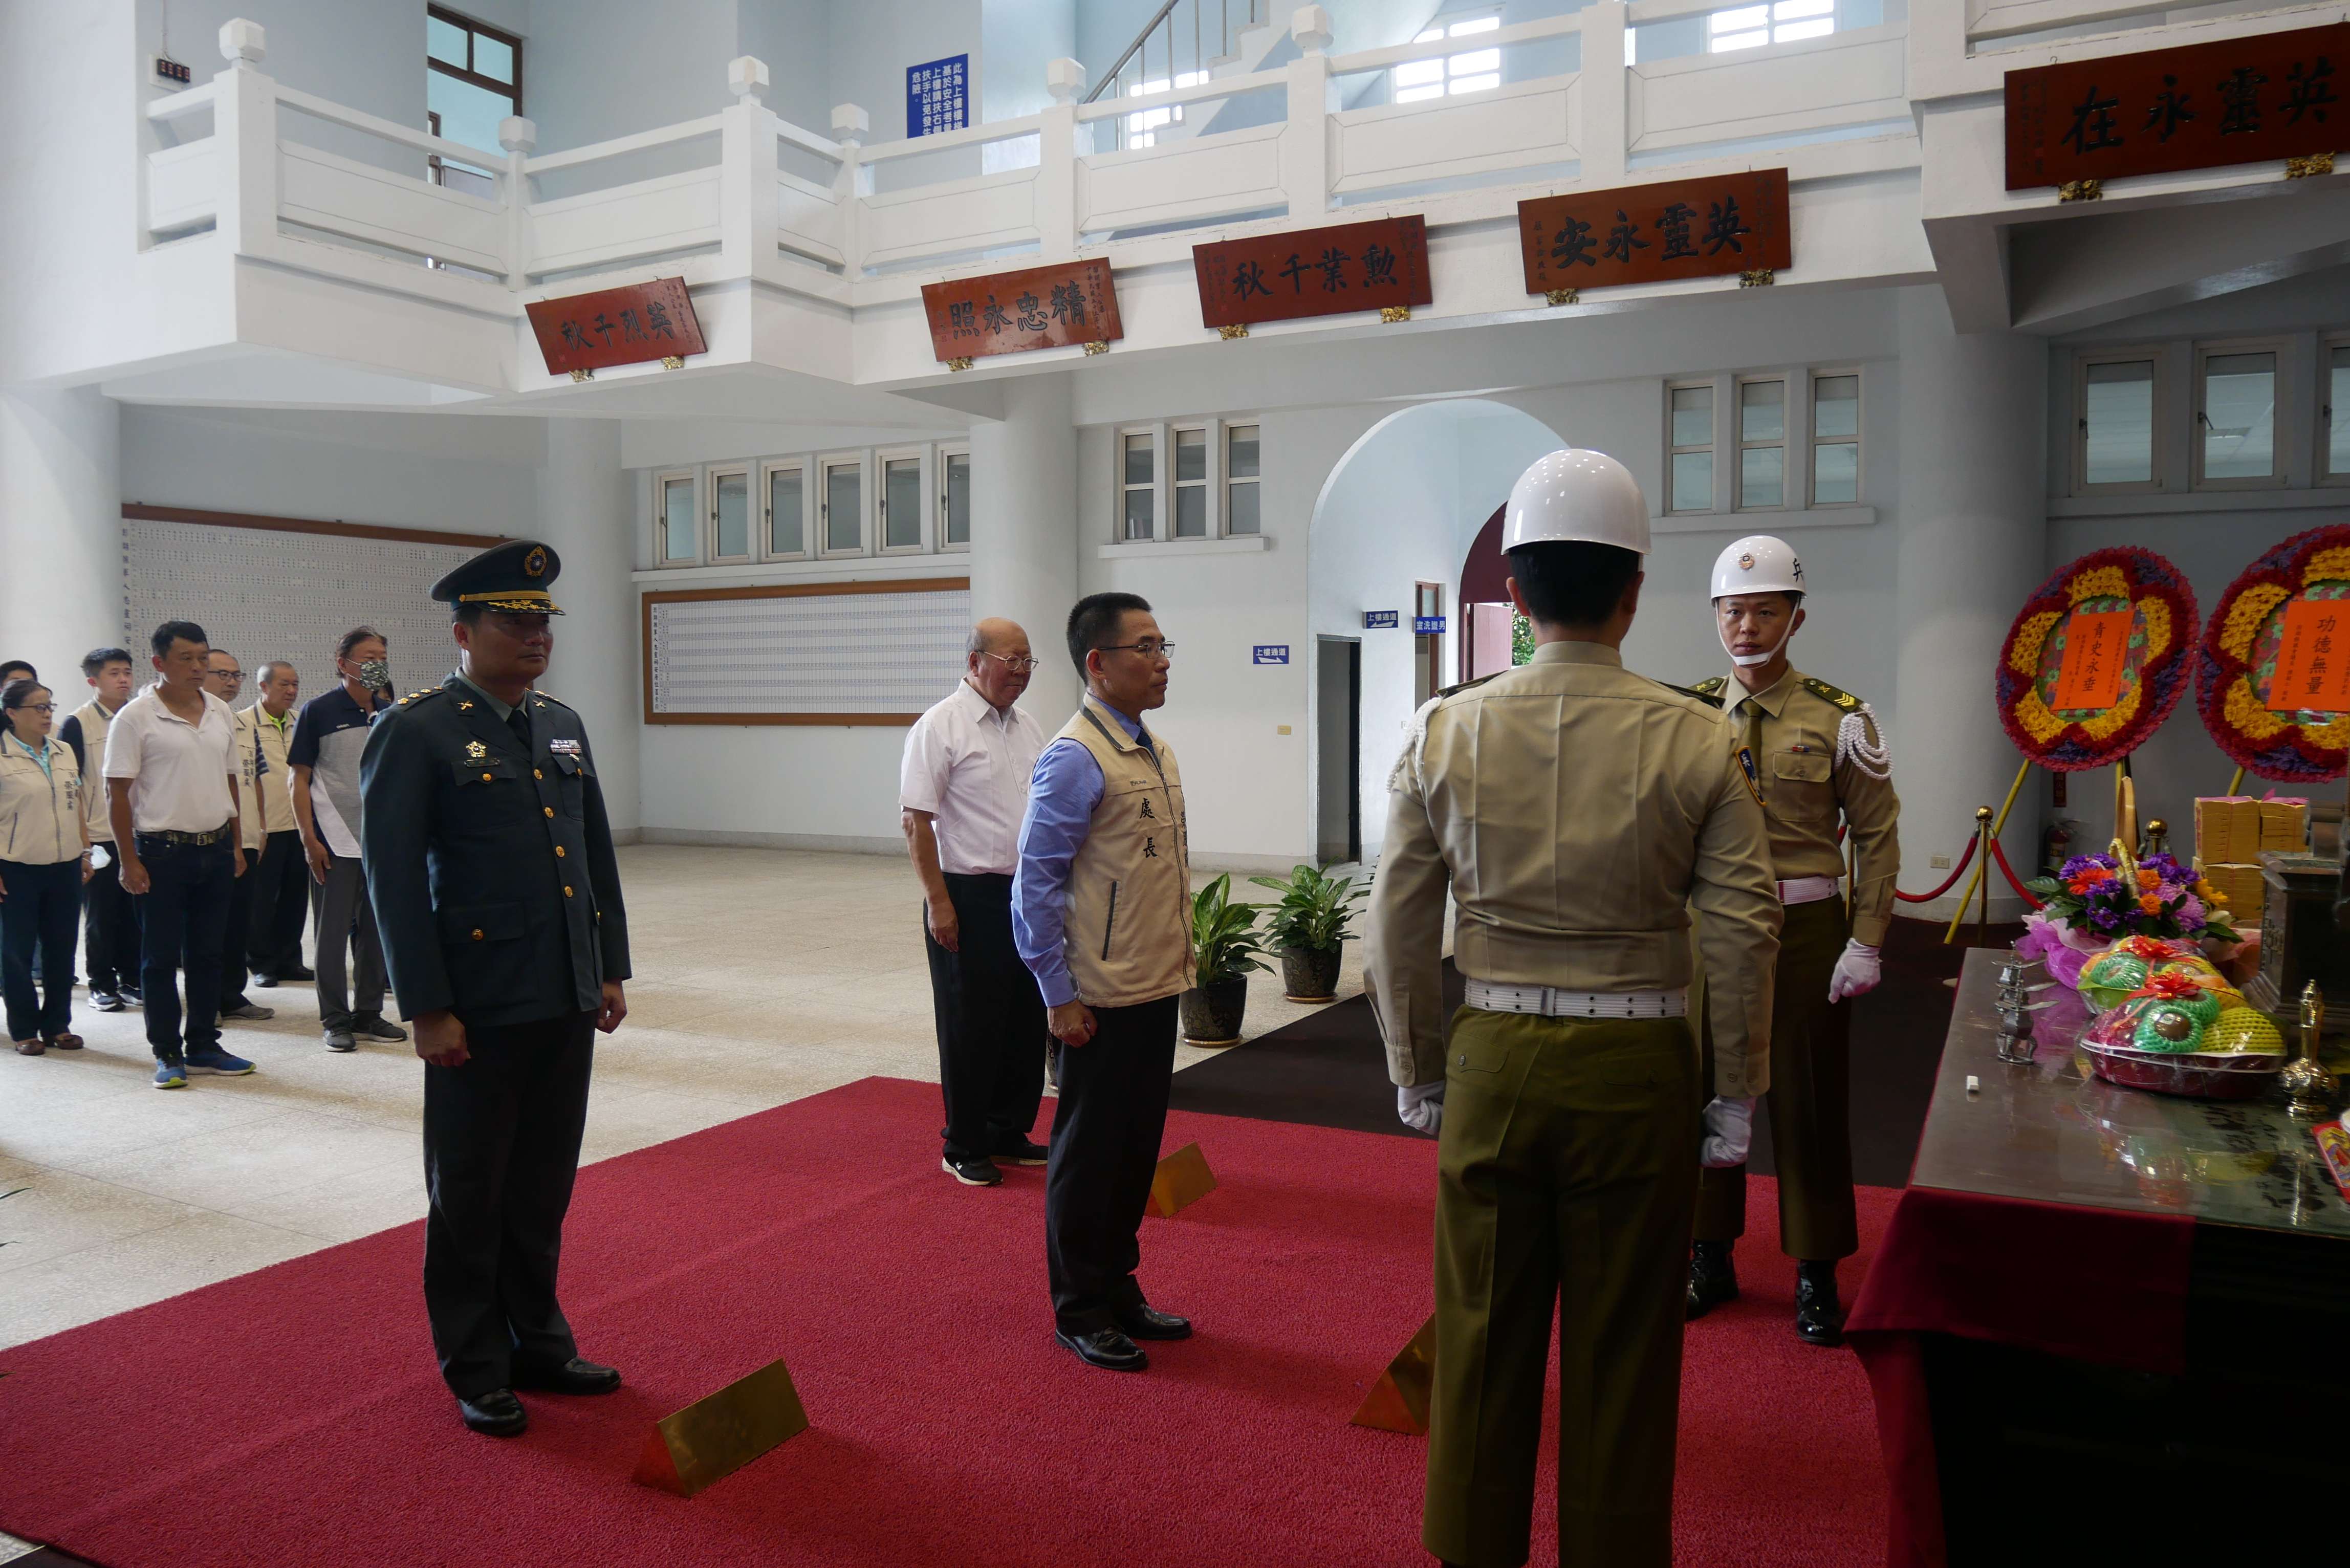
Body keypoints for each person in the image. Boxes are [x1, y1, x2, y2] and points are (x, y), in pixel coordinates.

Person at [1365, 449, 1780, 1568]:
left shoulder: (1439, 730)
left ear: (1514, 589)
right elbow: (1744, 925)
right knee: (1624, 1345)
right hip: (1639, 1064)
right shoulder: (1699, 735)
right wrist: (1733, 1085)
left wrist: (1414, 1057)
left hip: (1493, 1052)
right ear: (1634, 590)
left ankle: (1469, 1544)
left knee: (1482, 1326)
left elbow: (1398, 917)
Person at [360, 538, 632, 1440]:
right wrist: (426, 1005)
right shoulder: (419, 725)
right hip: (476, 1002)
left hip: (560, 990)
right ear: (463, 630)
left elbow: (592, 856)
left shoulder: (560, 721)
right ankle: (476, 1362)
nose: (533, 636)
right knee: (471, 1188)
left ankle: (537, 1340)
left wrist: (608, 967)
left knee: (542, 1183)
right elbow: (393, 880)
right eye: (513, 622)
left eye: (541, 621)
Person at [1679, 535, 1900, 1346]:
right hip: (1713, 929)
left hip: (1807, 927)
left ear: (1796, 618)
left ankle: (1815, 1272)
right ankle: (1710, 1257)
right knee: (1706, 1086)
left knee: (1809, 1100)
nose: (1744, 625)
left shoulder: (1840, 718)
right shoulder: (1691, 712)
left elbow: (1877, 837)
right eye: (1732, 610)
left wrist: (1866, 938)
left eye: (1764, 609)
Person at [1012, 592, 1195, 1374]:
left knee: (1133, 1152)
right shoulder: (1074, 756)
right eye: (1145, 647)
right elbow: (1035, 886)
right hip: (1097, 997)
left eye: (1164, 645)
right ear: (1099, 662)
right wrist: (1058, 993)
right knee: (1089, 1156)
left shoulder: (1152, 746)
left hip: (1152, 984)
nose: (1161, 661)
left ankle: (1118, 1286)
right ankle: (1079, 1307)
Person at [902, 619, 1051, 1187]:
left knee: (1022, 1017)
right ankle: (962, 1143)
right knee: (971, 1024)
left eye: (1028, 663)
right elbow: (915, 820)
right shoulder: (940, 726)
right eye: (1011, 660)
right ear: (974, 660)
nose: (1020, 672)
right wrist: (938, 903)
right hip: (967, 894)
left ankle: (1007, 1131)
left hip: (1025, 894)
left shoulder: (1028, 727)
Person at [105, 621, 255, 1090]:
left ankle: (205, 1044)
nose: (198, 667)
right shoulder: (135, 717)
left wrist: (236, 843)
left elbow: (230, 778)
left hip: (213, 849)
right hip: (160, 854)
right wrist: (129, 861)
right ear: (159, 664)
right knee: (160, 958)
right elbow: (117, 794)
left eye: (202, 657)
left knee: (210, 955)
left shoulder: (219, 712)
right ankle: (167, 1052)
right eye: (186, 659)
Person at [291, 627, 403, 1053]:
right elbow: (297, 779)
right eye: (367, 657)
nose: (376, 665)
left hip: (379, 841)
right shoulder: (318, 711)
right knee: (332, 935)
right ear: (343, 663)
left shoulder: (390, 712)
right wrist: (309, 839)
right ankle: (335, 1019)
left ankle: (369, 1013)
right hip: (333, 839)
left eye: (382, 656)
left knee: (376, 932)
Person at [0, 680, 92, 1055]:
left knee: (62, 948)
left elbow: (77, 805)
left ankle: (58, 1024)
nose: (47, 714)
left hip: (64, 865)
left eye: (50, 706)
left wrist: (85, 852)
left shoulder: (63, 750)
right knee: (16, 952)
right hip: (15, 867)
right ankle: (24, 1028)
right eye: (38, 708)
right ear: (11, 713)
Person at [58, 647, 139, 1011]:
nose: (123, 680)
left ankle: (133, 979)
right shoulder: (77, 723)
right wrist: (84, 844)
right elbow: (71, 786)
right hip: (99, 834)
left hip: (141, 832)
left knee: (135, 913)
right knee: (102, 916)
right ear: (93, 681)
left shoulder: (140, 717)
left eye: (126, 672)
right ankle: (101, 984)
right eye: (114, 674)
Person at [204, 649, 275, 1023]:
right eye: (223, 674)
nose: (231, 682)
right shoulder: (200, 722)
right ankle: (207, 1000)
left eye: (237, 675)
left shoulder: (244, 723)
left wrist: (260, 827)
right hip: (214, 839)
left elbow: (255, 779)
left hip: (246, 836)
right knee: (210, 926)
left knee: (237, 923)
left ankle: (232, 995)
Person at [244, 661, 312, 986]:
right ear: (264, 687)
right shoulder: (244, 723)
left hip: (299, 826)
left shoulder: (303, 722)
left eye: (295, 684)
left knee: (295, 897)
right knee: (262, 899)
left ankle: (290, 959)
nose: (292, 691)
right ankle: (261, 963)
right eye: (284, 684)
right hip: (266, 827)